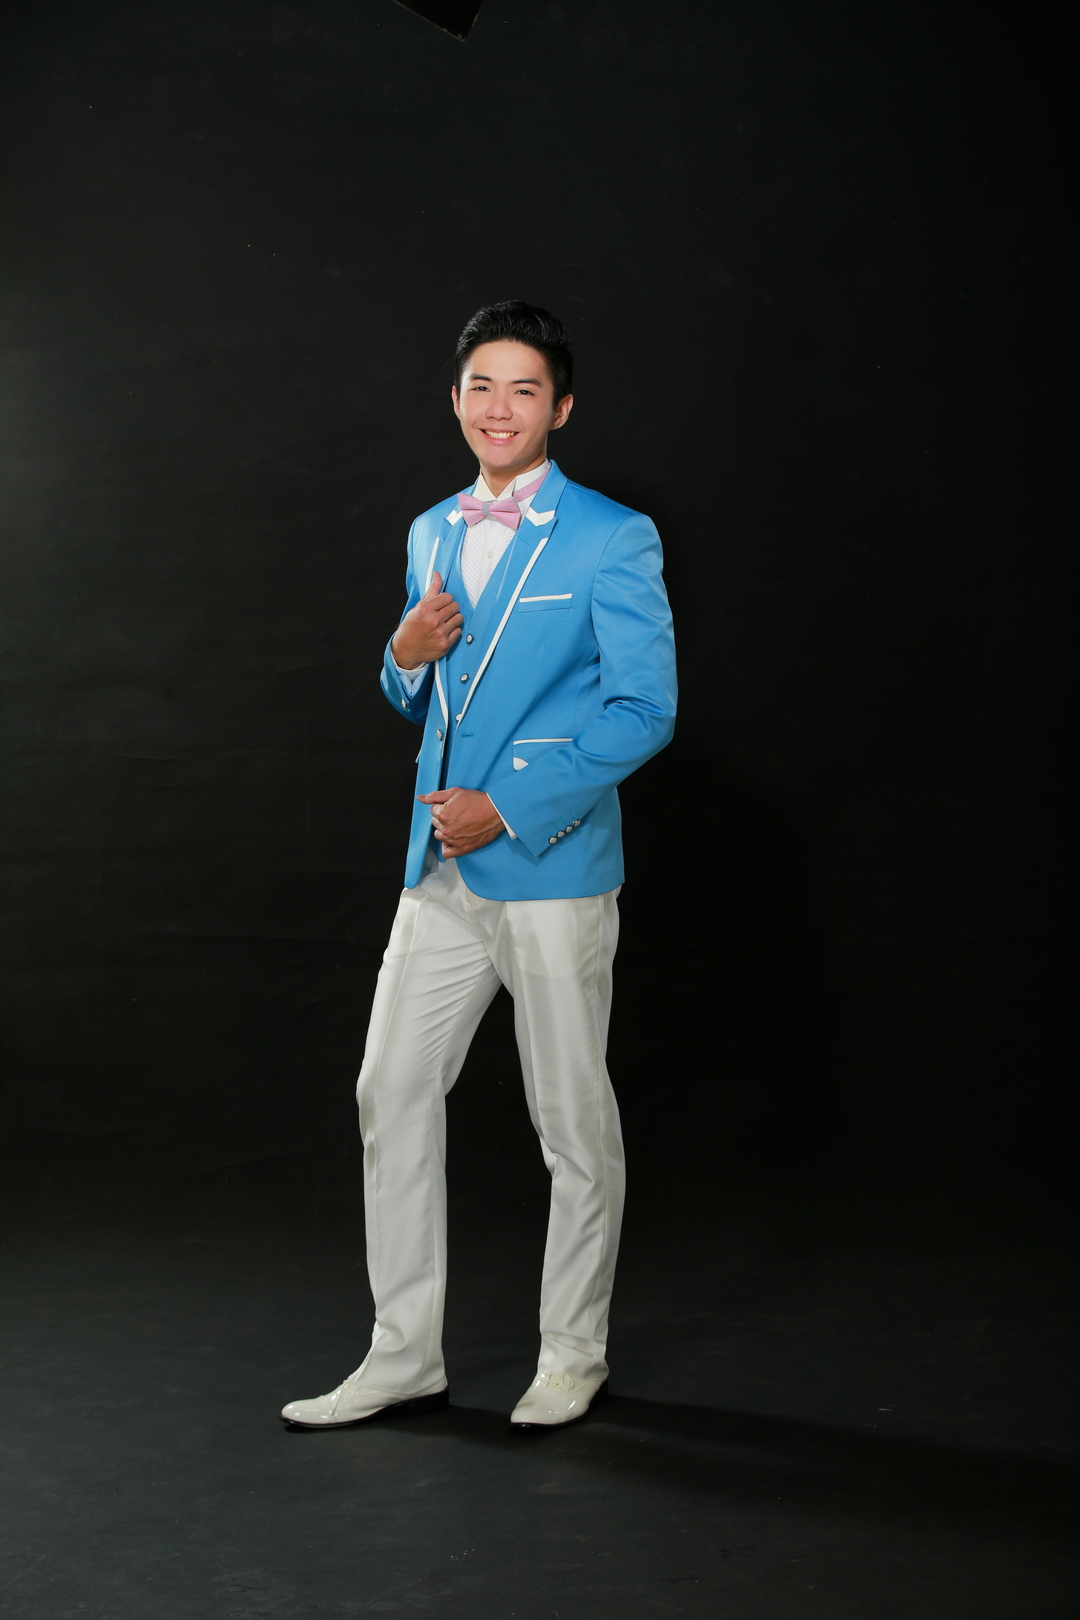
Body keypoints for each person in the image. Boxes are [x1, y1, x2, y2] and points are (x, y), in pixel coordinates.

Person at [282, 301, 677, 1430]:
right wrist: (400, 657)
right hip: (441, 868)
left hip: (549, 862)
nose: (499, 408)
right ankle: (404, 1355)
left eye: (524, 389)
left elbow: (645, 709)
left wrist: (506, 808)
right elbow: (430, 690)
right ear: (455, 399)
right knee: (391, 1089)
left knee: (569, 1116)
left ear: (561, 407)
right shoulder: (431, 529)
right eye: (480, 387)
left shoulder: (613, 535)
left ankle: (573, 1353)